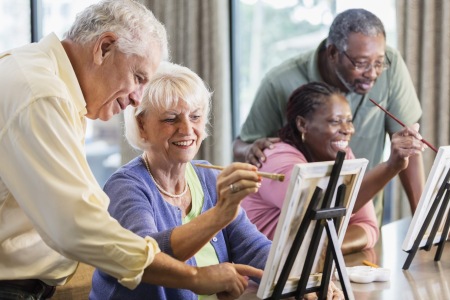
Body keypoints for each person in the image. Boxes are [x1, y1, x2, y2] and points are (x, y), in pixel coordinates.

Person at [0, 1, 260, 299]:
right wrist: (194, 277)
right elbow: (79, 227)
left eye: (196, 116)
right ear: (104, 48)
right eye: (138, 78)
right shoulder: (42, 94)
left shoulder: (46, 82)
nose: (137, 98)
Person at [90, 63, 344, 300]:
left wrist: (305, 280)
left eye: (196, 116)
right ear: (141, 125)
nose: (187, 129)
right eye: (171, 119)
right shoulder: (126, 187)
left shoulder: (208, 177)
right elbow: (146, 261)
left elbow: (254, 248)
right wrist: (221, 214)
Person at [233, 9, 450, 243]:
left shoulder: (390, 63)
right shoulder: (279, 82)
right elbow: (243, 145)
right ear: (333, 53)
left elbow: (408, 143)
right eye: (361, 63)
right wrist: (250, 149)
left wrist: (424, 217)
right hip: (293, 225)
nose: (373, 73)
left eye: (378, 63)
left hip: (359, 209)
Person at [242, 82, 427, 254]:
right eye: (335, 121)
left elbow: (367, 227)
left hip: (303, 275)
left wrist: (321, 249)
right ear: (302, 124)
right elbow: (322, 208)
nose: (347, 129)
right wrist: (390, 166)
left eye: (349, 120)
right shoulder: (275, 159)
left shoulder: (342, 154)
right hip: (253, 280)